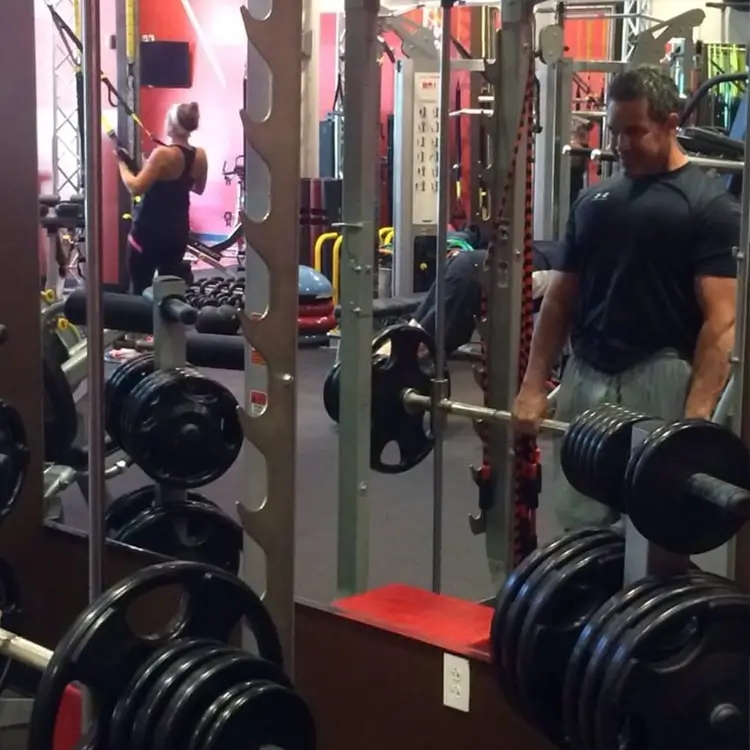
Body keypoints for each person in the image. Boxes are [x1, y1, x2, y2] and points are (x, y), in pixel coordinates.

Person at [511, 65, 739, 531]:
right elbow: (560, 299)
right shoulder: (596, 201)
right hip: (588, 371)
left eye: (636, 131)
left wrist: (697, 415)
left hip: (659, 373)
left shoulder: (709, 207)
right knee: (578, 524)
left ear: (671, 124)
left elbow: (722, 321)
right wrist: (534, 385)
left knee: (649, 528)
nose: (622, 144)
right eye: (615, 131)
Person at [117, 102, 209, 295]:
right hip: (177, 234)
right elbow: (198, 188)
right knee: (168, 290)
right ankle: (164, 325)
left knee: (140, 288)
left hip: (148, 233)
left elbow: (135, 187)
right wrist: (157, 171)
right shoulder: (200, 155)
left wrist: (121, 165)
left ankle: (140, 325)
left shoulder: (162, 155)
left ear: (172, 125)